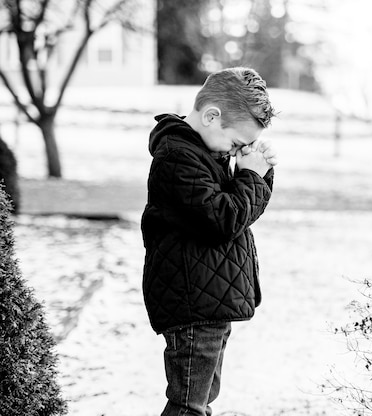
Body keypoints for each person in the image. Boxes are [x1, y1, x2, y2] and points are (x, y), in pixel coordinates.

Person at [141, 67, 278, 416]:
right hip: (192, 304)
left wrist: (259, 172)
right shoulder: (178, 157)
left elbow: (237, 211)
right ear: (211, 116)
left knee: (199, 402)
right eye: (236, 144)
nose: (237, 152)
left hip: (209, 300)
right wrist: (252, 176)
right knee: (189, 406)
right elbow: (224, 219)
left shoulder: (205, 152)